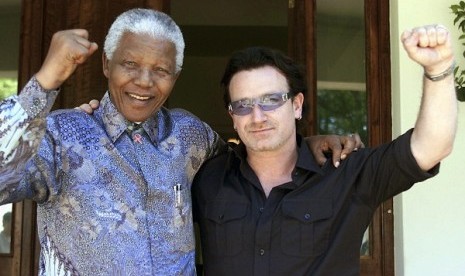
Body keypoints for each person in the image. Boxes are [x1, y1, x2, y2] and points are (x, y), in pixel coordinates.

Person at [0, 8, 360, 275]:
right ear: (107, 65)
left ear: (176, 76)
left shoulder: (190, 135)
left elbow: (253, 159)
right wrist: (46, 81)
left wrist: (305, 143)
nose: (144, 81)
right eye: (130, 64)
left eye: (160, 70)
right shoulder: (62, 136)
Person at [192, 24, 457, 275]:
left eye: (271, 100)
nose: (258, 116)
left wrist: (439, 68)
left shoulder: (347, 173)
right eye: (243, 105)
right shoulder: (208, 178)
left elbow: (430, 147)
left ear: (296, 105)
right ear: (232, 117)